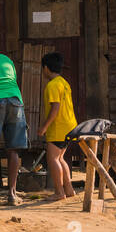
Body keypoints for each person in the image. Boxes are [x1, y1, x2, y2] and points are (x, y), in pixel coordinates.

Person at [0, 40, 27, 205]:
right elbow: (12, 79)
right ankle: (12, 193)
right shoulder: (7, 59)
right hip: (15, 100)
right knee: (13, 149)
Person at [38, 51, 76, 201]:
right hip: (70, 125)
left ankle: (59, 192)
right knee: (60, 158)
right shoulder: (64, 82)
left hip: (58, 126)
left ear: (46, 68)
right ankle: (69, 189)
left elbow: (55, 108)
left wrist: (44, 127)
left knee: (53, 158)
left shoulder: (52, 85)